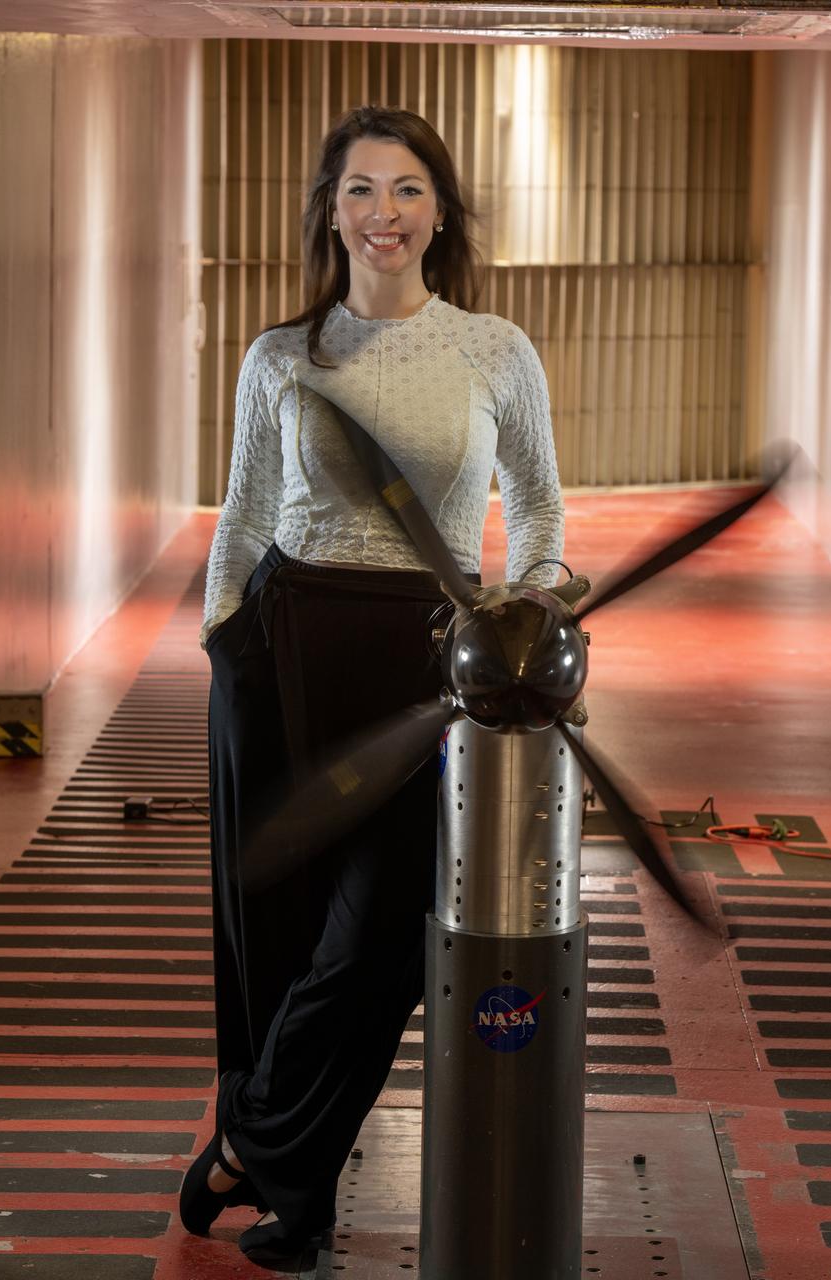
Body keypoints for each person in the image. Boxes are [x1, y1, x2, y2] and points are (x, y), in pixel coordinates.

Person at [179, 104, 565, 1267]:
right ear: (329, 209)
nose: (382, 214)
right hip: (281, 647)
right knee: (275, 937)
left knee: (378, 944)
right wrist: (221, 635)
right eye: (359, 189)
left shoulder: (492, 349)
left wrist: (528, 608)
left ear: (438, 211)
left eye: (405, 190)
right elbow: (244, 510)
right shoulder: (279, 356)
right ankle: (303, 1199)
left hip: (424, 659)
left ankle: (249, 1141)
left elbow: (538, 505)